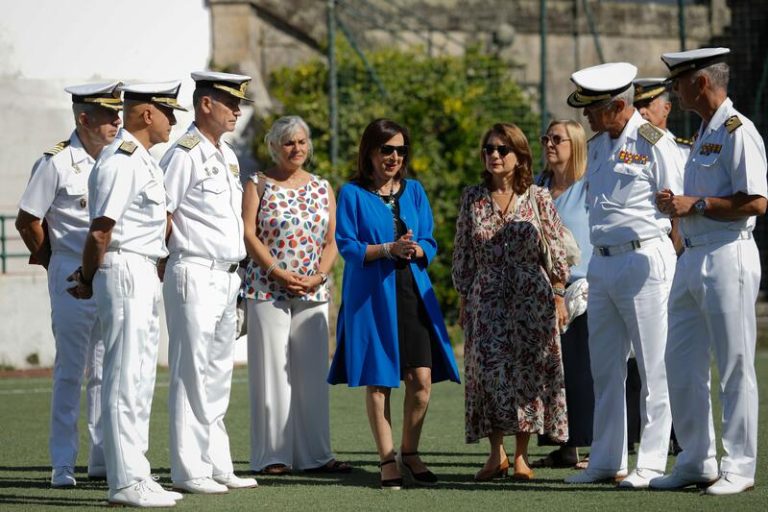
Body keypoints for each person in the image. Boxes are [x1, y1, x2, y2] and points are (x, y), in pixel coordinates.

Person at [562, 62, 685, 488]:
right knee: (605, 366)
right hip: (603, 262)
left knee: (653, 366)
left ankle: (649, 463)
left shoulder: (654, 140)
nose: (586, 117)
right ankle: (605, 459)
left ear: (618, 105)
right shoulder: (597, 146)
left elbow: (674, 205)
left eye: (593, 109)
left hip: (644, 259)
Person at [652, 47, 767, 496]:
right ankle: (696, 460)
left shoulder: (740, 131)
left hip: (728, 252)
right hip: (693, 255)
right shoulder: (702, 132)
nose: (674, 90)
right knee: (680, 361)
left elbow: (756, 200)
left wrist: (694, 204)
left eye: (679, 81)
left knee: (735, 364)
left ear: (700, 82)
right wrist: (678, 205)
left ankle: (739, 466)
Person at [67, 81, 186, 508]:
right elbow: (101, 229)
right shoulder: (122, 161)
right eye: (168, 112)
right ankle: (123, 481)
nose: (174, 120)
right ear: (147, 114)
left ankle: (137, 471)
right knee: (121, 378)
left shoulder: (145, 162)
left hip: (142, 268)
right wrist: (86, 275)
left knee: (138, 377)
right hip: (124, 267)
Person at [329, 118, 460, 489]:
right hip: (371, 295)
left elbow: (431, 239)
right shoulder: (352, 193)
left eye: (401, 150)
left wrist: (418, 248)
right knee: (379, 380)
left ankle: (411, 452)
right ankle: (387, 459)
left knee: (421, 378)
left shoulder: (415, 190)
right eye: (387, 149)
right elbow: (348, 246)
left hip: (412, 291)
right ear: (370, 152)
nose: (394, 157)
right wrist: (388, 248)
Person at [15, 82, 122, 487]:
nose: (117, 121)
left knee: (105, 368)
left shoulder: (117, 158)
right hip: (70, 271)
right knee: (71, 370)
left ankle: (100, 458)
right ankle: (62, 463)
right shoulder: (57, 162)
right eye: (109, 115)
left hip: (110, 272)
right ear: (83, 119)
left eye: (118, 113)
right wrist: (51, 263)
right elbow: (28, 220)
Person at [452, 122, 569, 483]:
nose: (495, 156)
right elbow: (463, 252)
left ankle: (521, 456)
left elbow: (557, 249)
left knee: (528, 374)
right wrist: (463, 297)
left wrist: (560, 292)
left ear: (519, 157)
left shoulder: (538, 196)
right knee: (488, 376)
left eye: (503, 150)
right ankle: (495, 455)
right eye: (489, 149)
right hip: (485, 298)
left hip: (531, 297)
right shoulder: (472, 196)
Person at [160, 71, 258, 494]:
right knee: (191, 371)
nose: (237, 109)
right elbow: (161, 214)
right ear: (205, 105)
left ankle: (217, 461)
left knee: (218, 372)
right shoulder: (184, 153)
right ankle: (187, 467)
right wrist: (167, 265)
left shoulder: (227, 155)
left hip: (227, 274)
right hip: (194, 269)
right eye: (229, 102)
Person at [242, 115, 349, 476]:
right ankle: (272, 457)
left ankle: (315, 456)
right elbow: (248, 233)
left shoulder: (322, 187)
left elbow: (333, 239)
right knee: (271, 373)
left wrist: (319, 274)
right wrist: (277, 271)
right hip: (266, 288)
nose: (296, 149)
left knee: (313, 375)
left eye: (302, 142)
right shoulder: (257, 184)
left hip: (313, 291)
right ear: (274, 146)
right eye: (289, 142)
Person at [531, 119, 594, 470]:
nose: (550, 144)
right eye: (546, 138)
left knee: (582, 369)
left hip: (581, 290)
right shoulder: (539, 184)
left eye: (558, 139)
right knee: (553, 374)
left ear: (576, 145)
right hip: (544, 289)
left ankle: (591, 447)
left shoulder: (588, 186)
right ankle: (564, 447)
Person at [633, 77, 693, 159]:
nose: (641, 111)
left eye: (647, 104)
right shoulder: (628, 145)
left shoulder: (683, 150)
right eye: (637, 106)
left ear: (666, 108)